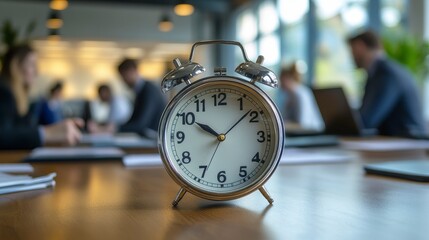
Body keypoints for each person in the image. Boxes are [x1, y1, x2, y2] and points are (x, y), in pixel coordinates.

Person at [0, 44, 82, 149]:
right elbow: (3, 135)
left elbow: (20, 132)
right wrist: (47, 134)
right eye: (32, 65)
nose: (37, 72)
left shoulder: (17, 99)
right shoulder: (3, 94)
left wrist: (56, 131)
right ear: (15, 66)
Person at [347, 30, 427, 137]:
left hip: (409, 144)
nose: (351, 56)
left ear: (360, 47)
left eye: (352, 51)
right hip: (395, 142)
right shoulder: (378, 72)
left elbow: (367, 120)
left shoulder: (387, 74)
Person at [88, 59, 166, 137]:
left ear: (131, 71)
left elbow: (140, 124)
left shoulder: (149, 91)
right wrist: (114, 127)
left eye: (123, 77)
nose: (123, 81)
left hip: (155, 141)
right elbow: (133, 120)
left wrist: (115, 128)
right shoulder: (141, 90)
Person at [279, 62, 324, 131]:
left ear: (287, 78)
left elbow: (303, 124)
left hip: (312, 135)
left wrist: (281, 124)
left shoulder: (300, 94)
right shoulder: (290, 96)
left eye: (281, 79)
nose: (279, 82)